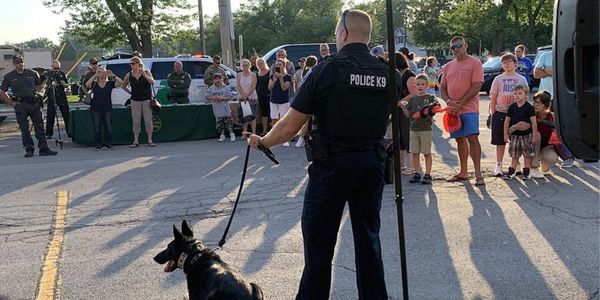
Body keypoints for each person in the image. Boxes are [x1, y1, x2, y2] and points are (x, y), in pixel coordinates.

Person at [245, 9, 389, 299]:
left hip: (332, 167)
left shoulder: (327, 69)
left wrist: (263, 141)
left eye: (337, 33)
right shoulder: (386, 73)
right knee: (368, 241)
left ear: (344, 34)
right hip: (371, 165)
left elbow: (289, 125)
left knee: (319, 247)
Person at [440, 36, 485, 186]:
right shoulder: (448, 66)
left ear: (465, 45)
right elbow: (442, 88)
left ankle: (478, 174)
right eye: (452, 47)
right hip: (453, 110)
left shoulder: (475, 63)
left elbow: (477, 86)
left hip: (469, 108)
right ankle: (463, 172)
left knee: (472, 138)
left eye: (458, 46)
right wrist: (448, 102)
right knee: (459, 139)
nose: (455, 49)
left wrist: (461, 102)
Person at [0, 55, 57, 157]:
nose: (20, 64)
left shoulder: (32, 73)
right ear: (14, 64)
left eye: (21, 62)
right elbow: (2, 91)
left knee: (39, 127)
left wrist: (44, 86)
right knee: (24, 129)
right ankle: (29, 149)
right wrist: (11, 103)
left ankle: (43, 149)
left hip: (34, 103)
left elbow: (39, 87)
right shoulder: (9, 76)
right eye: (18, 62)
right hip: (20, 104)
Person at [511, 91, 575, 178]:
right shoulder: (529, 114)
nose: (535, 104)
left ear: (545, 105)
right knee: (536, 134)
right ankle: (533, 167)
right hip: (529, 146)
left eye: (538, 102)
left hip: (546, 146)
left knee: (552, 158)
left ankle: (542, 163)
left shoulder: (552, 117)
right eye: (534, 102)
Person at [488, 53, 529, 176]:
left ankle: (516, 164)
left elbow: (525, 96)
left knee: (517, 140)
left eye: (509, 62)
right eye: (504, 63)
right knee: (500, 141)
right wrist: (493, 113)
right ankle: (499, 165)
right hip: (500, 112)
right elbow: (493, 96)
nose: (506, 65)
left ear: (515, 64)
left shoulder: (521, 79)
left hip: (516, 113)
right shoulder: (498, 79)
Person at [400, 74, 438, 184]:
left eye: (422, 84)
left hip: (425, 129)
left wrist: (432, 109)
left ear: (426, 85)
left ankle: (427, 174)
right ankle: (416, 173)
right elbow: (409, 116)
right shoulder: (412, 99)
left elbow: (435, 110)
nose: (420, 86)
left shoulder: (430, 98)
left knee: (426, 153)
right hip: (414, 129)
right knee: (414, 152)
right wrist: (404, 108)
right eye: (418, 84)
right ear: (414, 86)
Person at [503, 84, 537, 180]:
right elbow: (507, 121)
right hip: (514, 136)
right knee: (514, 155)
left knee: (527, 154)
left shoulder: (529, 107)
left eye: (520, 93)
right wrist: (505, 133)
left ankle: (527, 172)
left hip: (526, 135)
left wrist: (534, 135)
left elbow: (533, 122)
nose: (517, 95)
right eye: (515, 93)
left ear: (526, 95)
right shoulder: (511, 107)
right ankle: (511, 172)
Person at [121, 56, 156, 147]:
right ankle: (136, 140)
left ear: (138, 64)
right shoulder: (129, 74)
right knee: (136, 120)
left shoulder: (147, 72)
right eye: (130, 64)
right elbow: (123, 85)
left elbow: (152, 82)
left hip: (146, 99)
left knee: (148, 119)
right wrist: (130, 92)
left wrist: (144, 75)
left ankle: (150, 140)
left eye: (133, 63)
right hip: (135, 100)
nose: (131, 65)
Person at [85, 66, 123, 150]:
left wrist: (112, 75)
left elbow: (121, 82)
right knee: (97, 127)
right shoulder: (94, 84)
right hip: (95, 108)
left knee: (108, 126)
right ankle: (99, 143)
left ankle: (108, 143)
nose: (101, 73)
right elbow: (87, 84)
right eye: (100, 72)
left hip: (107, 108)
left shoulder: (110, 83)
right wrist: (95, 75)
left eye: (103, 71)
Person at [395, 52, 416, 175]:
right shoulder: (400, 74)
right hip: (401, 109)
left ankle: (411, 165)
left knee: (407, 136)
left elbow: (413, 93)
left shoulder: (409, 75)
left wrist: (400, 102)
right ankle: (401, 163)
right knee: (401, 137)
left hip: (407, 109)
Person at [268, 58, 292, 147]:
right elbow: (269, 88)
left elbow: (284, 88)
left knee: (283, 120)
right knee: (274, 119)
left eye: (280, 65)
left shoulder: (288, 77)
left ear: (284, 66)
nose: (278, 66)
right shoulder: (272, 76)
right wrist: (274, 80)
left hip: (283, 101)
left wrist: (281, 78)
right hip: (273, 100)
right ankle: (274, 137)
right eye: (277, 65)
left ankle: (285, 139)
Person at [44, 59, 70, 139]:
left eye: (58, 68)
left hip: (61, 95)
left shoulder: (62, 74)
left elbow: (67, 85)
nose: (57, 70)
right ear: (52, 67)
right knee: (50, 115)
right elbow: (44, 85)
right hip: (52, 96)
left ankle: (69, 131)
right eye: (56, 68)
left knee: (66, 114)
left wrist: (64, 84)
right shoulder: (48, 74)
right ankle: (49, 133)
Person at [206, 72, 235, 142]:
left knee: (228, 123)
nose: (217, 80)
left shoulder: (226, 88)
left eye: (219, 78)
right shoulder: (211, 88)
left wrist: (223, 98)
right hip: (217, 109)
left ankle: (231, 134)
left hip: (225, 109)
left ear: (222, 79)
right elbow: (207, 96)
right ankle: (222, 135)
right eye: (216, 79)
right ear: (213, 80)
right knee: (219, 124)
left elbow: (230, 96)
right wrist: (213, 98)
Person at [236, 59, 258, 136]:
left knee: (252, 115)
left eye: (246, 65)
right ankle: (244, 134)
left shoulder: (253, 75)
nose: (245, 66)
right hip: (242, 97)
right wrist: (243, 95)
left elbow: (253, 85)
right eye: (243, 65)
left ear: (249, 66)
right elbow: (238, 86)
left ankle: (254, 133)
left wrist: (247, 95)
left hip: (251, 97)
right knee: (244, 115)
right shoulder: (239, 75)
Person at [255, 58, 271, 136]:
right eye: (259, 64)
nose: (260, 65)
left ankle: (272, 130)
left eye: (262, 63)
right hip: (260, 96)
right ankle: (264, 130)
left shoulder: (270, 72)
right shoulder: (257, 73)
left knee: (271, 113)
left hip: (269, 95)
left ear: (265, 63)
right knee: (263, 113)